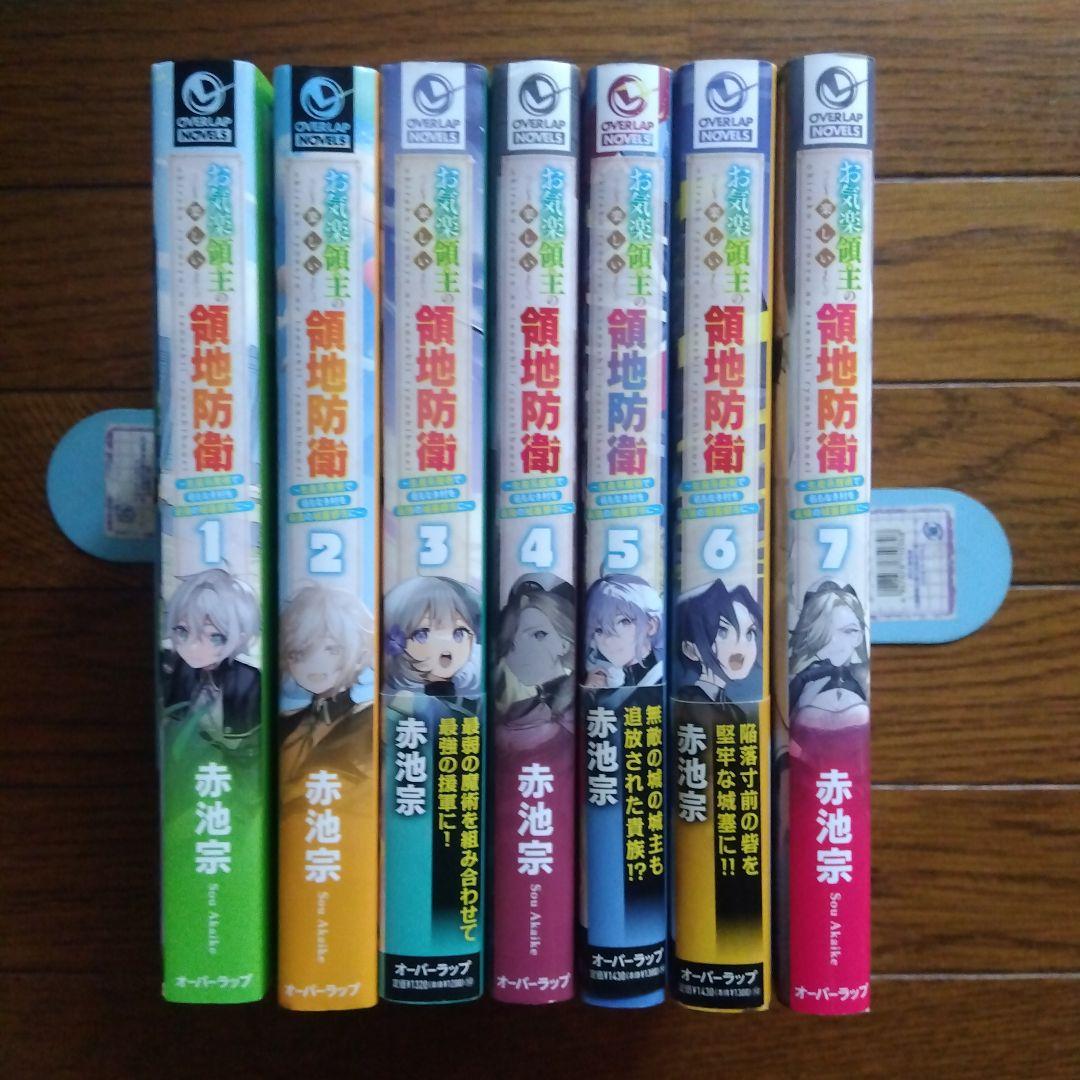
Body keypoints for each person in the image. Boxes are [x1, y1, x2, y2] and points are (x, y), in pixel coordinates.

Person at [279, 584, 375, 784]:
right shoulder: (286, 723)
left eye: (332, 650)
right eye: (300, 652)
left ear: (360, 655)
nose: (315, 663)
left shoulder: (371, 722)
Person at [160, 568, 260, 751]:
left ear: (240, 638)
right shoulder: (181, 668)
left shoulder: (248, 679)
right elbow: (172, 721)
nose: (193, 647)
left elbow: (249, 741)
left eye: (215, 637)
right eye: (183, 631)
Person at [495, 573, 575, 753]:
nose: (524, 652)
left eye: (539, 635)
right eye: (511, 645)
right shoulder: (517, 709)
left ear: (564, 643)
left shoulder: (581, 701)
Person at [383, 575, 482, 698]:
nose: (446, 644)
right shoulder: (401, 697)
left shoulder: (475, 689)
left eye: (459, 633)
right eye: (422, 634)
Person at [676, 579, 762, 704]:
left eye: (749, 633)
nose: (741, 644)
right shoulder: (688, 701)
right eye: (722, 632)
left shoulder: (731, 708)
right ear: (690, 650)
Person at [582, 573, 663, 690]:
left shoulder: (661, 676)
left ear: (651, 625)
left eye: (623, 622)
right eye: (599, 630)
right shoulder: (610, 678)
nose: (607, 640)